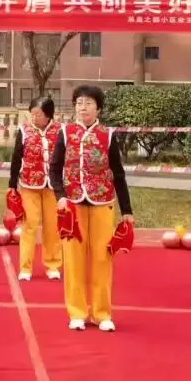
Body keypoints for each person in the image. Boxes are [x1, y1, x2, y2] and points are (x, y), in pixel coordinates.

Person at [49, 85, 132, 332]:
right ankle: (77, 312)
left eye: (88, 103)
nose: (82, 107)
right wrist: (60, 196)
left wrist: (127, 210)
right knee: (73, 259)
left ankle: (101, 313)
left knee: (102, 258)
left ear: (98, 109)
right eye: (79, 103)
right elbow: (55, 168)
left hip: (102, 202)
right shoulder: (65, 133)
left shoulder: (108, 136)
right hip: (72, 205)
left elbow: (118, 174)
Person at [8, 96, 63, 281]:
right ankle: (25, 267)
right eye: (32, 114)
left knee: (52, 226)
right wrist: (12, 184)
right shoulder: (24, 131)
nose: (34, 117)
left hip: (53, 186)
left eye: (38, 114)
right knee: (29, 225)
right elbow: (16, 158)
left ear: (48, 115)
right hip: (29, 185)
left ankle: (52, 264)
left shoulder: (60, 131)